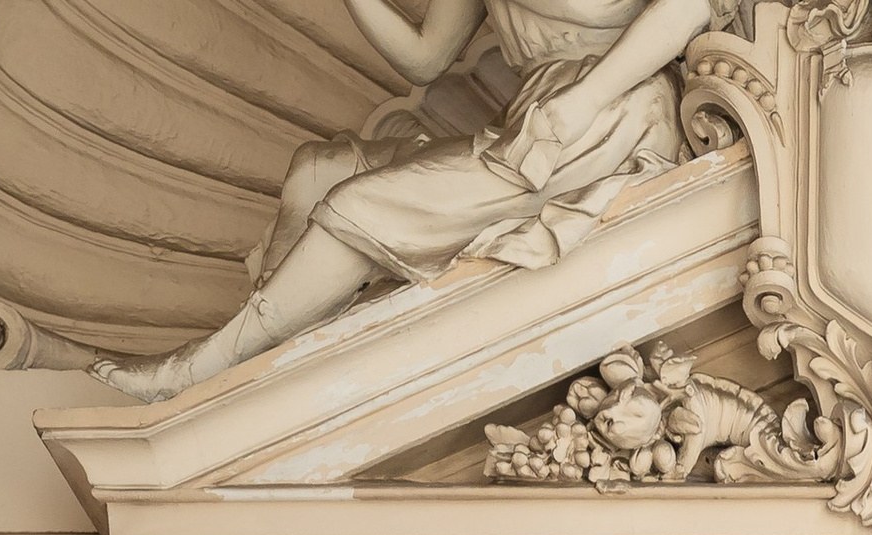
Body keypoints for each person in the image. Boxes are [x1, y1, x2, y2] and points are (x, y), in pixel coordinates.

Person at [93, 0, 710, 403]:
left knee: (359, 203)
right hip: (540, 113)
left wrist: (586, 98)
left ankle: (201, 374)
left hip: (613, 109)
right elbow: (426, 58)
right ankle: (271, 368)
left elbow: (687, 5)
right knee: (319, 168)